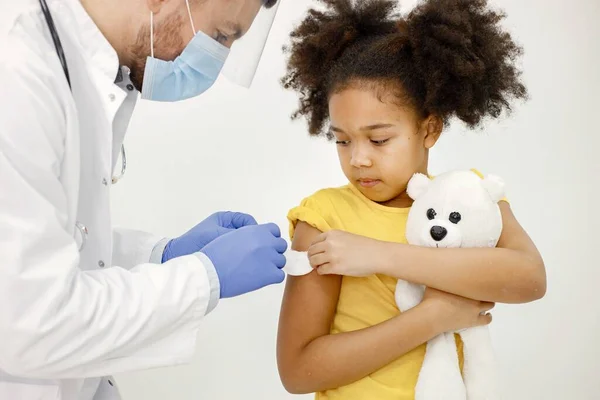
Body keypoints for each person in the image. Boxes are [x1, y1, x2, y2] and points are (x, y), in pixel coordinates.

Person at [0, 0, 287, 399]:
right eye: (221, 35)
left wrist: (160, 256)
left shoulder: (84, 68)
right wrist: (203, 277)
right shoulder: (16, 74)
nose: (215, 61)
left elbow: (49, 245)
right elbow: (30, 322)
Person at [276, 0, 547, 398]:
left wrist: (381, 255)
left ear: (430, 129)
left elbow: (530, 278)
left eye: (380, 139)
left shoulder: (467, 195)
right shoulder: (324, 219)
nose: (359, 158)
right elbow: (298, 372)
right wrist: (432, 317)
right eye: (342, 140)